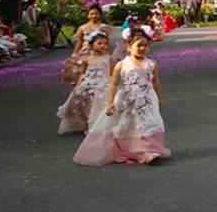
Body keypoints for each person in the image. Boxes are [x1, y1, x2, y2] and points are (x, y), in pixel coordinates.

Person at [73, 31, 171, 166]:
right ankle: (127, 150)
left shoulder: (152, 64)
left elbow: (155, 83)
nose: (142, 48)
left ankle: (147, 151)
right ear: (129, 47)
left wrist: (159, 98)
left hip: (146, 101)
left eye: (145, 45)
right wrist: (110, 103)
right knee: (125, 126)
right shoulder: (122, 65)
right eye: (139, 45)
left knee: (147, 124)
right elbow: (113, 84)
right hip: (126, 100)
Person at [56, 30, 112, 134]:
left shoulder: (109, 58)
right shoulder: (87, 59)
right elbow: (83, 73)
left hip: (103, 83)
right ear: (91, 45)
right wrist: (77, 86)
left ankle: (97, 125)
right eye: (99, 43)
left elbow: (112, 73)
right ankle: (84, 123)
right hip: (88, 82)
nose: (103, 46)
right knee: (82, 102)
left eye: (105, 43)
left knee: (99, 104)